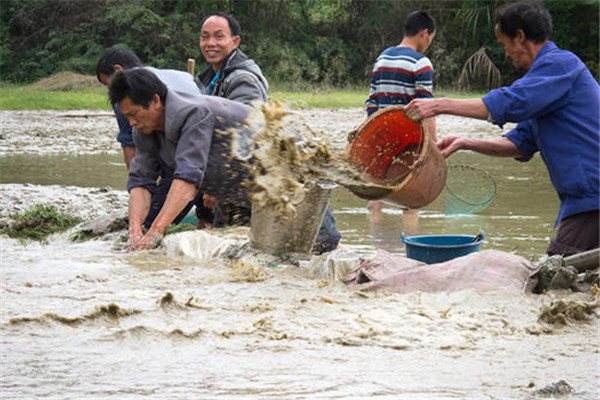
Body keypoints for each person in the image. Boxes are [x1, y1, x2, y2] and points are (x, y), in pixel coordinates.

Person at [405, 1, 599, 256]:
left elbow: (510, 102)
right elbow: (519, 144)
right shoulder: (546, 87)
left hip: (593, 200)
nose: (506, 54)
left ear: (520, 37)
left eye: (504, 44)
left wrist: (439, 105)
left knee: (549, 282)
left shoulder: (561, 66)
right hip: (585, 201)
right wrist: (465, 142)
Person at [109, 68, 341, 253]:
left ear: (156, 101)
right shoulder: (144, 128)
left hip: (285, 175)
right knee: (238, 254)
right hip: (236, 190)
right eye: (126, 116)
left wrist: (155, 233)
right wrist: (135, 232)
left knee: (318, 247)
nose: (131, 123)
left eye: (134, 114)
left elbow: (187, 180)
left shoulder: (193, 113)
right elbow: (141, 182)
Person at [364, 10, 437, 232]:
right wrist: (433, 146)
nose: (429, 44)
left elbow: (372, 103)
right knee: (411, 200)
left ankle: (376, 247)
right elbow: (426, 108)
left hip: (381, 136)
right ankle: (408, 248)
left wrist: (370, 137)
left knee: (376, 194)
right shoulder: (421, 63)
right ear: (424, 33)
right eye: (431, 39)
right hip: (409, 140)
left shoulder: (382, 58)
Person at [96, 47, 201, 170]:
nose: (111, 91)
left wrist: (135, 185)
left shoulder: (127, 96)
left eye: (108, 84)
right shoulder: (184, 76)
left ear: (118, 70)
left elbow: (132, 157)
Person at [196, 11, 268, 105]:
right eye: (205, 37)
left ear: (235, 42)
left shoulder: (243, 80)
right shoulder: (207, 78)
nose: (210, 43)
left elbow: (246, 117)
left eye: (219, 36)